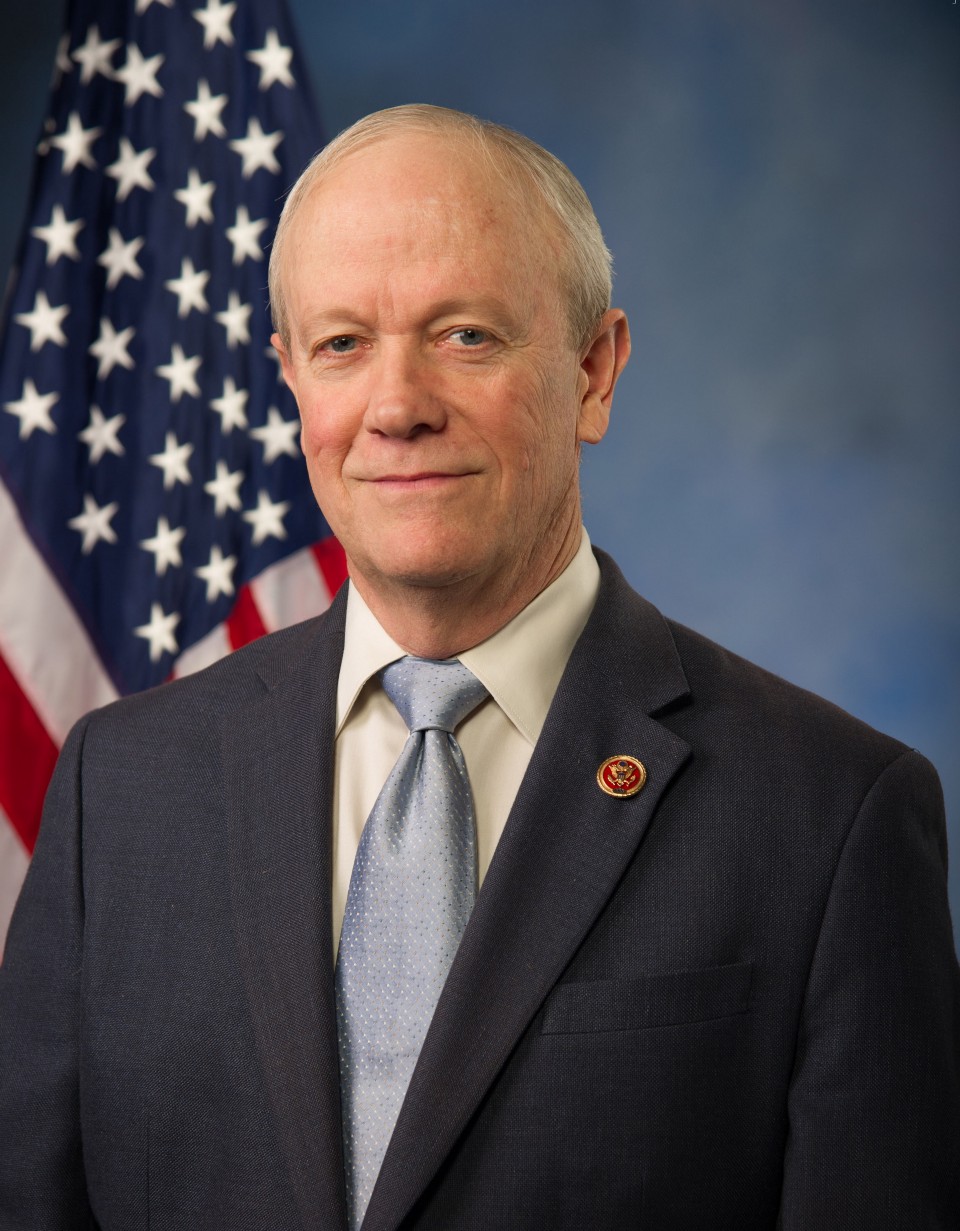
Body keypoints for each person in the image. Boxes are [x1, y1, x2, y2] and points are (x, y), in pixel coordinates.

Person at [0, 104, 957, 1231]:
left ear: (595, 372)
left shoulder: (831, 817)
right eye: (344, 344)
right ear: (291, 381)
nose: (398, 407)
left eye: (466, 336)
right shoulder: (120, 789)